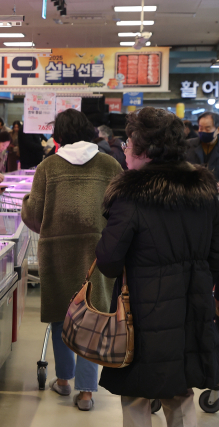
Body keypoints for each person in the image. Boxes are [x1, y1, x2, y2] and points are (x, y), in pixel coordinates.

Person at [95, 106, 219, 426]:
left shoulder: (131, 195)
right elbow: (216, 254)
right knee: (180, 391)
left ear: (145, 151)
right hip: (193, 307)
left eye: (128, 144)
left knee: (137, 393)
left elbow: (108, 261)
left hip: (143, 312)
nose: (125, 151)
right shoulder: (205, 190)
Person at [21, 108, 122, 411]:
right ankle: (87, 392)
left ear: (59, 135)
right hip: (98, 251)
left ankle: (64, 380)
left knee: (60, 315)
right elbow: (121, 211)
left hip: (57, 252)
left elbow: (34, 213)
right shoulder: (110, 164)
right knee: (93, 316)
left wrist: (43, 222)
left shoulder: (48, 166)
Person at [186, 111, 219, 179]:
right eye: (200, 128)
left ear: (218, 129)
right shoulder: (187, 145)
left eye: (207, 128)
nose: (203, 131)